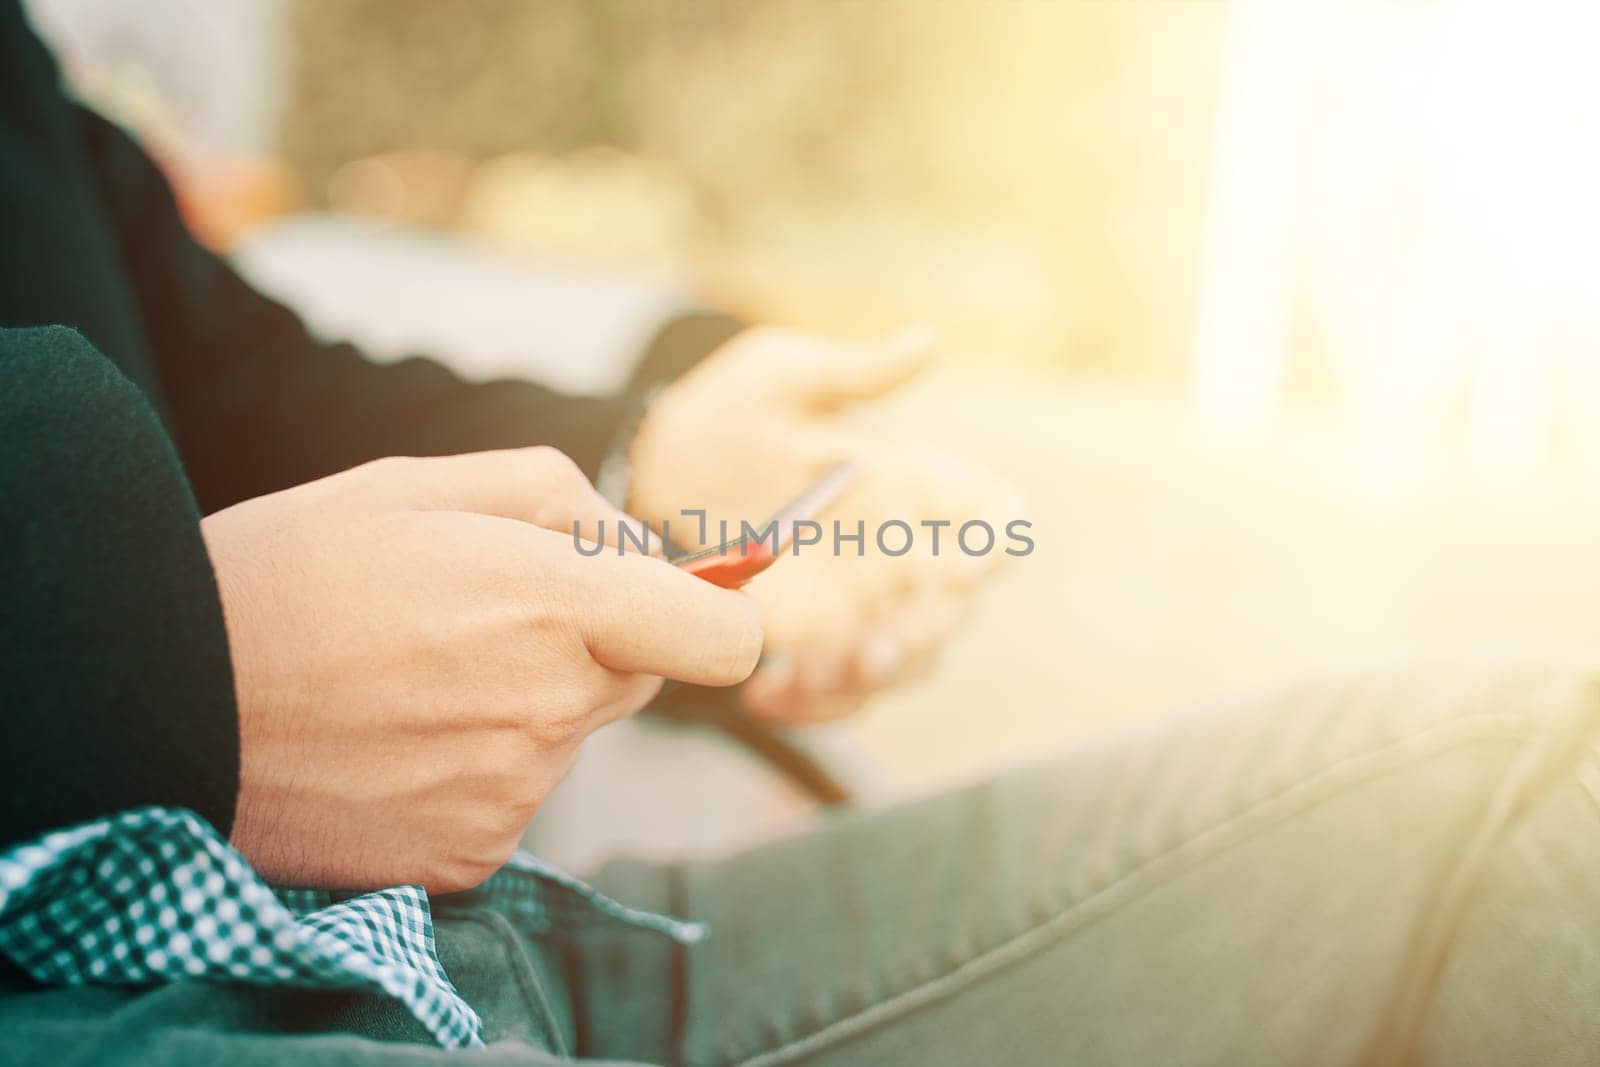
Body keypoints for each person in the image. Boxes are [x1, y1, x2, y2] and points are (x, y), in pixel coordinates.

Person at [2, 5, 1597, 1064]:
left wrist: (655, 469)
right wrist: (160, 666)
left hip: (469, 964)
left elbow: (228, 372)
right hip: (121, 1009)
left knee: (1533, 777)